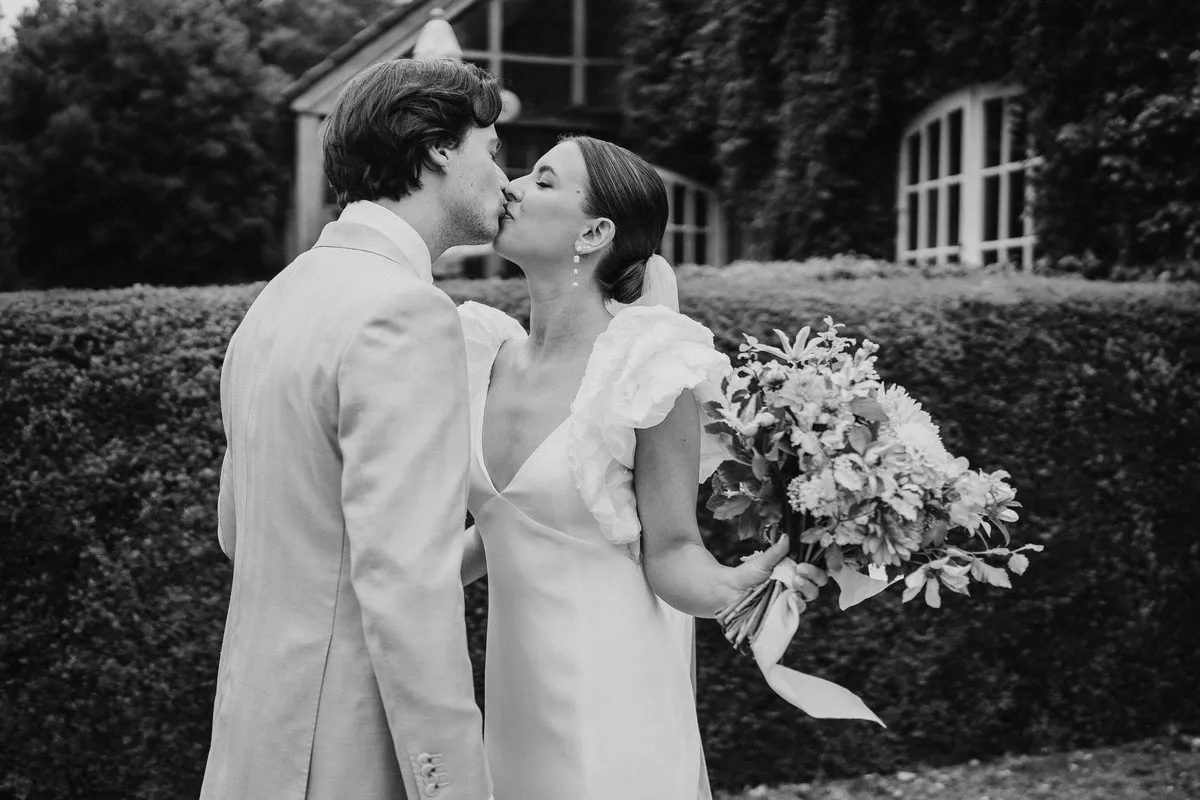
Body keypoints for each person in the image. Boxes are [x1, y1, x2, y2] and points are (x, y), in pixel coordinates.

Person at [456, 136, 826, 800]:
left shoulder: (650, 369)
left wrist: (749, 578)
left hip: (615, 694)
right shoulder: (484, 355)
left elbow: (674, 551)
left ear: (595, 231)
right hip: (515, 702)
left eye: (543, 181)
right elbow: (504, 528)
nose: (510, 185)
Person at [200, 59, 507, 800]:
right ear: (438, 147)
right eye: (490, 150)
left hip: (256, 734)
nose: (502, 177)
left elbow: (239, 534)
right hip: (347, 750)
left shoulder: (278, 300)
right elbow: (407, 581)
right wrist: (454, 784)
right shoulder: (404, 313)